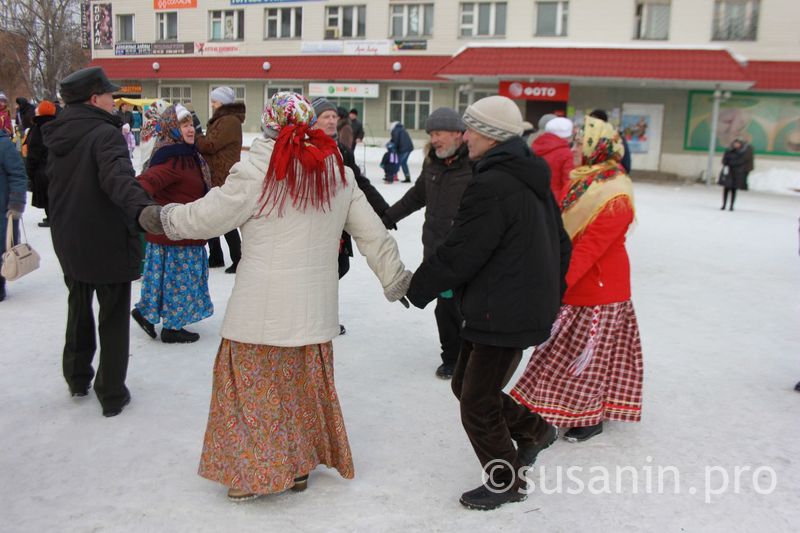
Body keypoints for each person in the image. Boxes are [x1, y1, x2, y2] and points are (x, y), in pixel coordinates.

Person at [151, 92, 411, 501]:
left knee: (255, 396)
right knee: (301, 393)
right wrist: (395, 279)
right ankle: (298, 468)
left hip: (261, 316)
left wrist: (160, 216)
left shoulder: (256, 171)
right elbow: (372, 233)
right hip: (313, 315)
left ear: (269, 125)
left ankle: (254, 475)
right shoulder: (337, 174)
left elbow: (205, 216)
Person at [406, 96, 571, 511]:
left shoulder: (495, 182)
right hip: (504, 302)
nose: (465, 137)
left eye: (471, 129)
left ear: (492, 135)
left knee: (477, 401)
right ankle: (533, 430)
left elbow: (463, 250)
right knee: (466, 386)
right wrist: (547, 289)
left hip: (505, 308)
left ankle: (505, 481)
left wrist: (416, 286)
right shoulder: (524, 174)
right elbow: (562, 244)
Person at [512, 115, 644, 444]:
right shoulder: (586, 180)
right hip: (578, 283)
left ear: (597, 148)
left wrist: (557, 281)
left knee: (589, 358)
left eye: (579, 142)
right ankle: (552, 405)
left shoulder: (615, 191)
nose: (573, 148)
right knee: (561, 352)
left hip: (600, 288)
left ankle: (589, 416)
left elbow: (590, 247)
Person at [42, 66, 161, 417]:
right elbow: (118, 180)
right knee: (111, 318)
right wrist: (145, 211)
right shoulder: (104, 134)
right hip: (106, 239)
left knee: (78, 307)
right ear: (95, 99)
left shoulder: (59, 133)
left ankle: (77, 377)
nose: (115, 99)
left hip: (69, 237)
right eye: (110, 94)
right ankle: (111, 393)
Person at [381, 107, 473, 379]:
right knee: (445, 309)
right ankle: (452, 358)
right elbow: (416, 196)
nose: (435, 139)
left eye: (439, 133)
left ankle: (476, 360)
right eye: (432, 134)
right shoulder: (432, 163)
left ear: (458, 134)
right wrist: (387, 216)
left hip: (468, 253)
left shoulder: (475, 166)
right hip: (436, 252)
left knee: (468, 308)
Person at [131, 104, 213, 344]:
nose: (190, 129)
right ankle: (172, 328)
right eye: (183, 125)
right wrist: (134, 198)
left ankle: (145, 313)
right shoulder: (173, 158)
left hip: (182, 233)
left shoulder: (188, 154)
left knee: (163, 281)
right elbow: (149, 180)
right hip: (176, 236)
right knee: (179, 282)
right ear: (171, 128)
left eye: (191, 124)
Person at [312, 97, 390, 334]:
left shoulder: (342, 150)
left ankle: (322, 316)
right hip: (316, 222)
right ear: (313, 121)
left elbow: (359, 182)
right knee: (319, 272)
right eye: (325, 116)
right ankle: (316, 319)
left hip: (340, 220)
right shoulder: (308, 148)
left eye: (334, 116)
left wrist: (384, 209)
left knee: (339, 267)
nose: (331, 120)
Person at [196, 86, 244, 273]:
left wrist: (198, 133)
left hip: (222, 175)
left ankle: (238, 258)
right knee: (212, 215)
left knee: (224, 218)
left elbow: (210, 145)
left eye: (215, 100)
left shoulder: (229, 121)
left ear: (223, 102)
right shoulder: (223, 119)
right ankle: (215, 255)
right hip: (215, 173)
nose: (212, 104)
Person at [0, 123, 27, 302]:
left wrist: (16, 202)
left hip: (2, 208)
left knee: (1, 248)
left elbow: (18, 173)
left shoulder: (3, 145)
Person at [25, 100, 57, 228]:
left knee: (45, 194)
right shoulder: (56, 125)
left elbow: (34, 150)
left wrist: (30, 169)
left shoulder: (38, 128)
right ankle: (51, 216)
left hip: (41, 168)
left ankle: (51, 218)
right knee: (52, 193)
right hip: (54, 166)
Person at [532, 116, 575, 203]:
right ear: (567, 135)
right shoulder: (566, 153)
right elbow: (567, 182)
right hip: (556, 199)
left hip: (535, 196)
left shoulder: (535, 146)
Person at [590, 109, 631, 174]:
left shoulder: (617, 139)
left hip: (612, 177)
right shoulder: (588, 140)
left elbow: (626, 165)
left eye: (593, 123)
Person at [719, 137, 754, 211]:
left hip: (736, 173)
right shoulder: (729, 151)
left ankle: (731, 205)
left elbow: (742, 161)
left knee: (733, 190)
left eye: (738, 143)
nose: (736, 145)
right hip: (729, 172)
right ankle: (724, 204)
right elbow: (724, 160)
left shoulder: (742, 153)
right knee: (726, 188)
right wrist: (727, 163)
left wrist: (732, 162)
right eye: (735, 143)